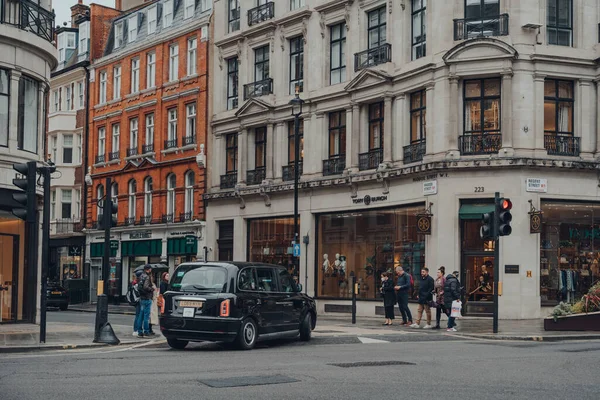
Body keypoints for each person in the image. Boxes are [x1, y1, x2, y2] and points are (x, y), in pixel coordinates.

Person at [135, 264, 154, 338]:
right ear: (148, 269)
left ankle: (139, 331)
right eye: (150, 269)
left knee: (140, 315)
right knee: (146, 316)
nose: (151, 270)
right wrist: (151, 289)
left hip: (142, 298)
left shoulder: (141, 276)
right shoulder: (146, 277)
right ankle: (146, 331)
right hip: (147, 298)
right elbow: (146, 287)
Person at [131, 270, 143, 336]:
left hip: (136, 300)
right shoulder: (138, 284)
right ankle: (136, 330)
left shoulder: (134, 283)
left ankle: (137, 329)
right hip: (139, 300)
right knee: (138, 316)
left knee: (138, 315)